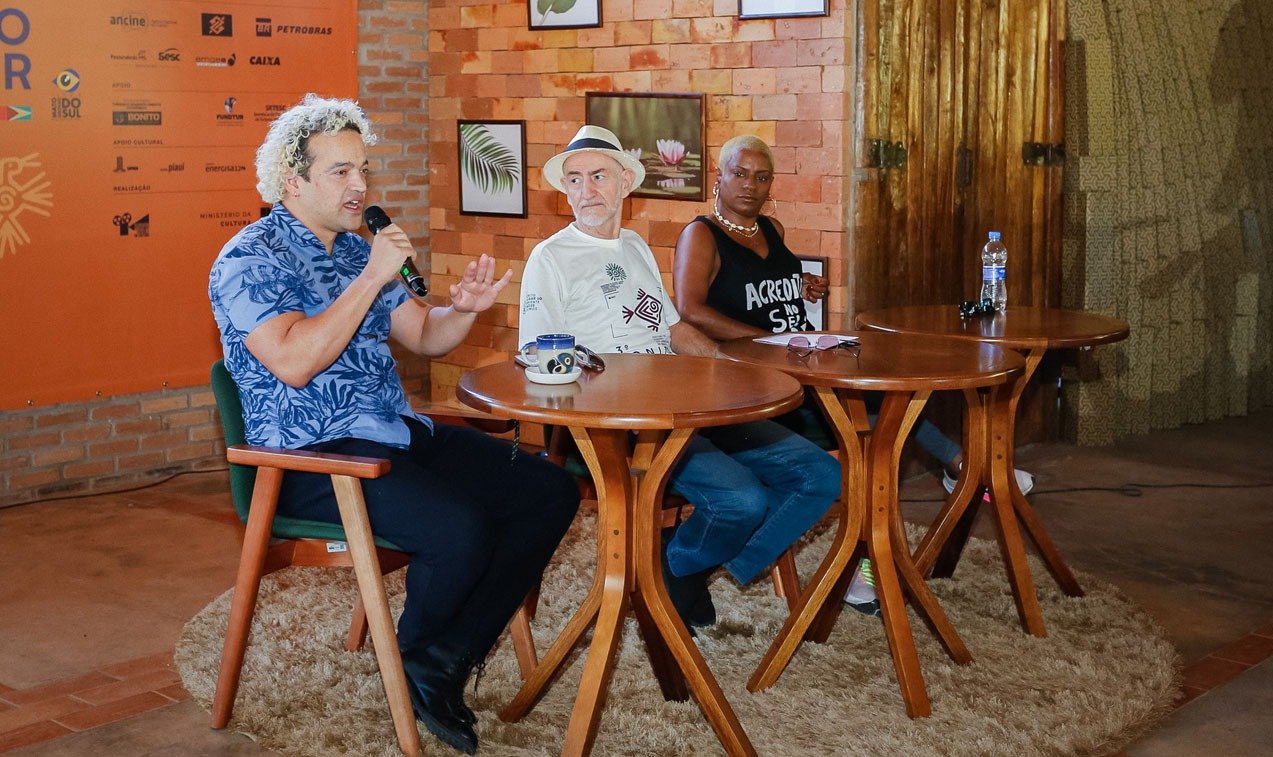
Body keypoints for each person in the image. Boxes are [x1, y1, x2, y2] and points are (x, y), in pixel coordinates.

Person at [208, 94, 579, 755]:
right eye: (340, 171)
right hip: (311, 457)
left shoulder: (358, 253)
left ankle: (439, 656)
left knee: (547, 490)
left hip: (393, 433)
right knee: (460, 528)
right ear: (293, 181)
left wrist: (462, 310)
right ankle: (420, 661)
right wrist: (372, 275)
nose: (360, 185)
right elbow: (294, 361)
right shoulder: (248, 259)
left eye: (363, 169)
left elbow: (424, 336)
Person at [672, 134, 1032, 615]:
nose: (750, 185)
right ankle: (955, 471)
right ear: (719, 177)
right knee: (876, 431)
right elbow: (690, 309)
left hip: (799, 367)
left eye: (761, 177)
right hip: (756, 386)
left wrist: (802, 285)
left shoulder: (771, 229)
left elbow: (758, 284)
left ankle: (869, 558)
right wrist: (764, 340)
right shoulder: (700, 235)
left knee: (886, 423)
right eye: (739, 174)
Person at [518, 125, 840, 632]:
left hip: (687, 402)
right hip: (625, 424)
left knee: (820, 475)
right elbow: (537, 358)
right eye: (575, 180)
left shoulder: (634, 246)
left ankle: (682, 562)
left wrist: (737, 370)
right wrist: (605, 382)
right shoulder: (550, 258)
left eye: (598, 176)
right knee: (742, 499)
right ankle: (686, 564)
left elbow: (673, 329)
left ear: (625, 182)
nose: (586, 191)